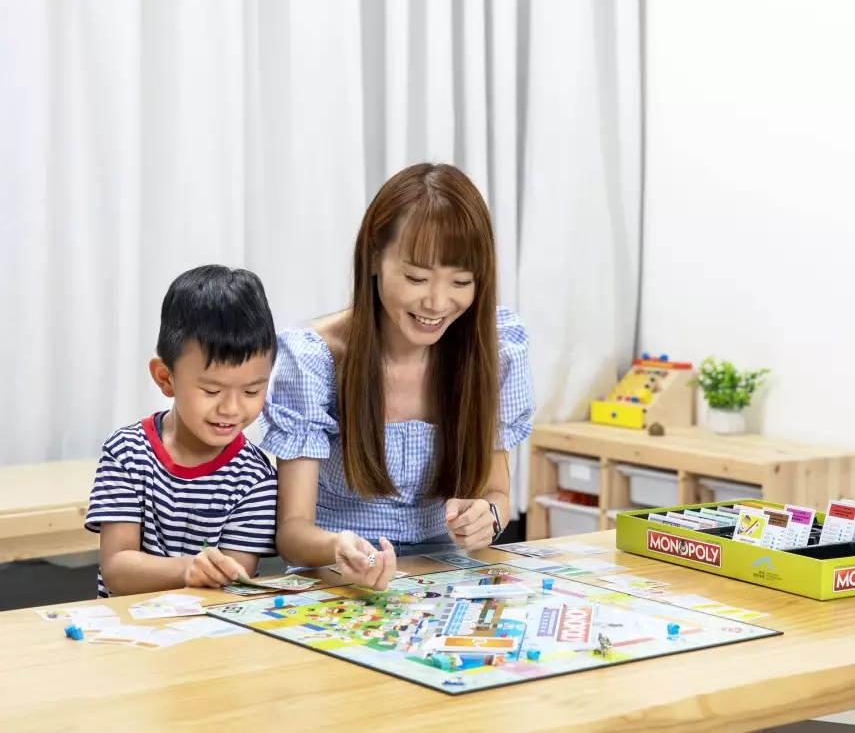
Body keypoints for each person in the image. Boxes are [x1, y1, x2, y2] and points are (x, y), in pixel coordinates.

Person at [259, 162, 535, 591]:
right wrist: (341, 548)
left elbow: (495, 494)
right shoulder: (315, 359)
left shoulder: (494, 350)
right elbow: (293, 533)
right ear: (374, 257)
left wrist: (490, 518)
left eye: (461, 281)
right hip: (340, 578)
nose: (437, 303)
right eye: (416, 277)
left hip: (446, 575)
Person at [84, 265, 279, 598]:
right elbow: (116, 569)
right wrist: (187, 570)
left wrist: (211, 573)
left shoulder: (255, 477)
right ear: (165, 378)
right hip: (127, 624)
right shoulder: (126, 452)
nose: (231, 408)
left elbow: (235, 578)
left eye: (252, 391)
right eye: (212, 391)